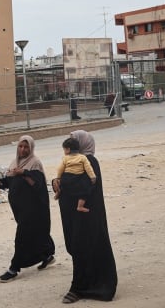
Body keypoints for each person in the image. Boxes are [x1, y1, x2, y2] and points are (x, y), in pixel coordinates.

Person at [53, 130, 117, 303]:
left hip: (87, 215)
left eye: (74, 140)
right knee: (77, 246)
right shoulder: (71, 161)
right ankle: (84, 285)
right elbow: (65, 180)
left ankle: (79, 288)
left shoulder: (90, 161)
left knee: (85, 246)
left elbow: (86, 185)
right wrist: (56, 182)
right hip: (72, 213)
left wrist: (65, 184)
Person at [0, 134, 55, 283]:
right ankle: (47, 255)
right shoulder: (15, 162)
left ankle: (14, 268)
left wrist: (24, 173)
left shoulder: (35, 163)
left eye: (26, 147)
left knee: (21, 237)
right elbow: (11, 181)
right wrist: (1, 183)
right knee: (37, 233)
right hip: (20, 208)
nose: (23, 149)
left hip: (34, 208)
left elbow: (37, 184)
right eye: (21, 146)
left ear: (31, 148)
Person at [54, 138, 96, 213]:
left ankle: (58, 193)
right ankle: (80, 206)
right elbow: (88, 168)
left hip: (67, 177)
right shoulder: (83, 157)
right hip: (78, 178)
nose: (64, 152)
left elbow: (60, 168)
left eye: (64, 150)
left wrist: (58, 177)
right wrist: (92, 177)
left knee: (62, 185)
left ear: (68, 149)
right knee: (84, 192)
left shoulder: (65, 158)